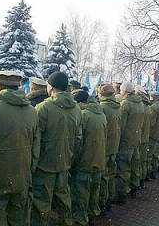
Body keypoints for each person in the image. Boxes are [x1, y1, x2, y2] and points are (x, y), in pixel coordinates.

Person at [0, 70, 40, 225]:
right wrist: (29, 172)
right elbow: (36, 148)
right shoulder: (32, 111)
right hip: (22, 177)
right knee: (19, 218)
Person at [31, 71, 82, 225]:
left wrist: (33, 164)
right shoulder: (76, 109)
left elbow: (35, 141)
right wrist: (69, 157)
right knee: (64, 202)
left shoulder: (42, 108)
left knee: (41, 205)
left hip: (44, 165)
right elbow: (78, 140)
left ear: (51, 87)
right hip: (64, 163)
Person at [70, 90, 107, 225]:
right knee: (93, 192)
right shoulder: (101, 114)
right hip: (98, 160)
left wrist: (72, 160)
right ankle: (92, 215)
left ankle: (80, 221)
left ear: (80, 103)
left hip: (84, 162)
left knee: (80, 194)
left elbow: (78, 141)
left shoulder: (83, 115)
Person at [113, 81, 144, 204]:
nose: (120, 92)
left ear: (125, 91)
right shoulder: (140, 102)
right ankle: (134, 187)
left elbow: (121, 125)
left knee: (124, 168)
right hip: (136, 139)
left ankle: (122, 193)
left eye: (121, 90)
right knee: (135, 165)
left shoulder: (125, 104)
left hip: (126, 140)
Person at [98, 83, 121, 214]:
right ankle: (109, 199)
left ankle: (103, 201)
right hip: (114, 145)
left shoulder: (102, 107)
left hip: (105, 147)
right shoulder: (118, 107)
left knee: (103, 176)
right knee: (111, 174)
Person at [146, 91, 159, 179]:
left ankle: (149, 172)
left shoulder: (154, 107)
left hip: (153, 134)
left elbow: (151, 122)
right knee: (156, 154)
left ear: (153, 97)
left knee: (149, 155)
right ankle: (154, 170)